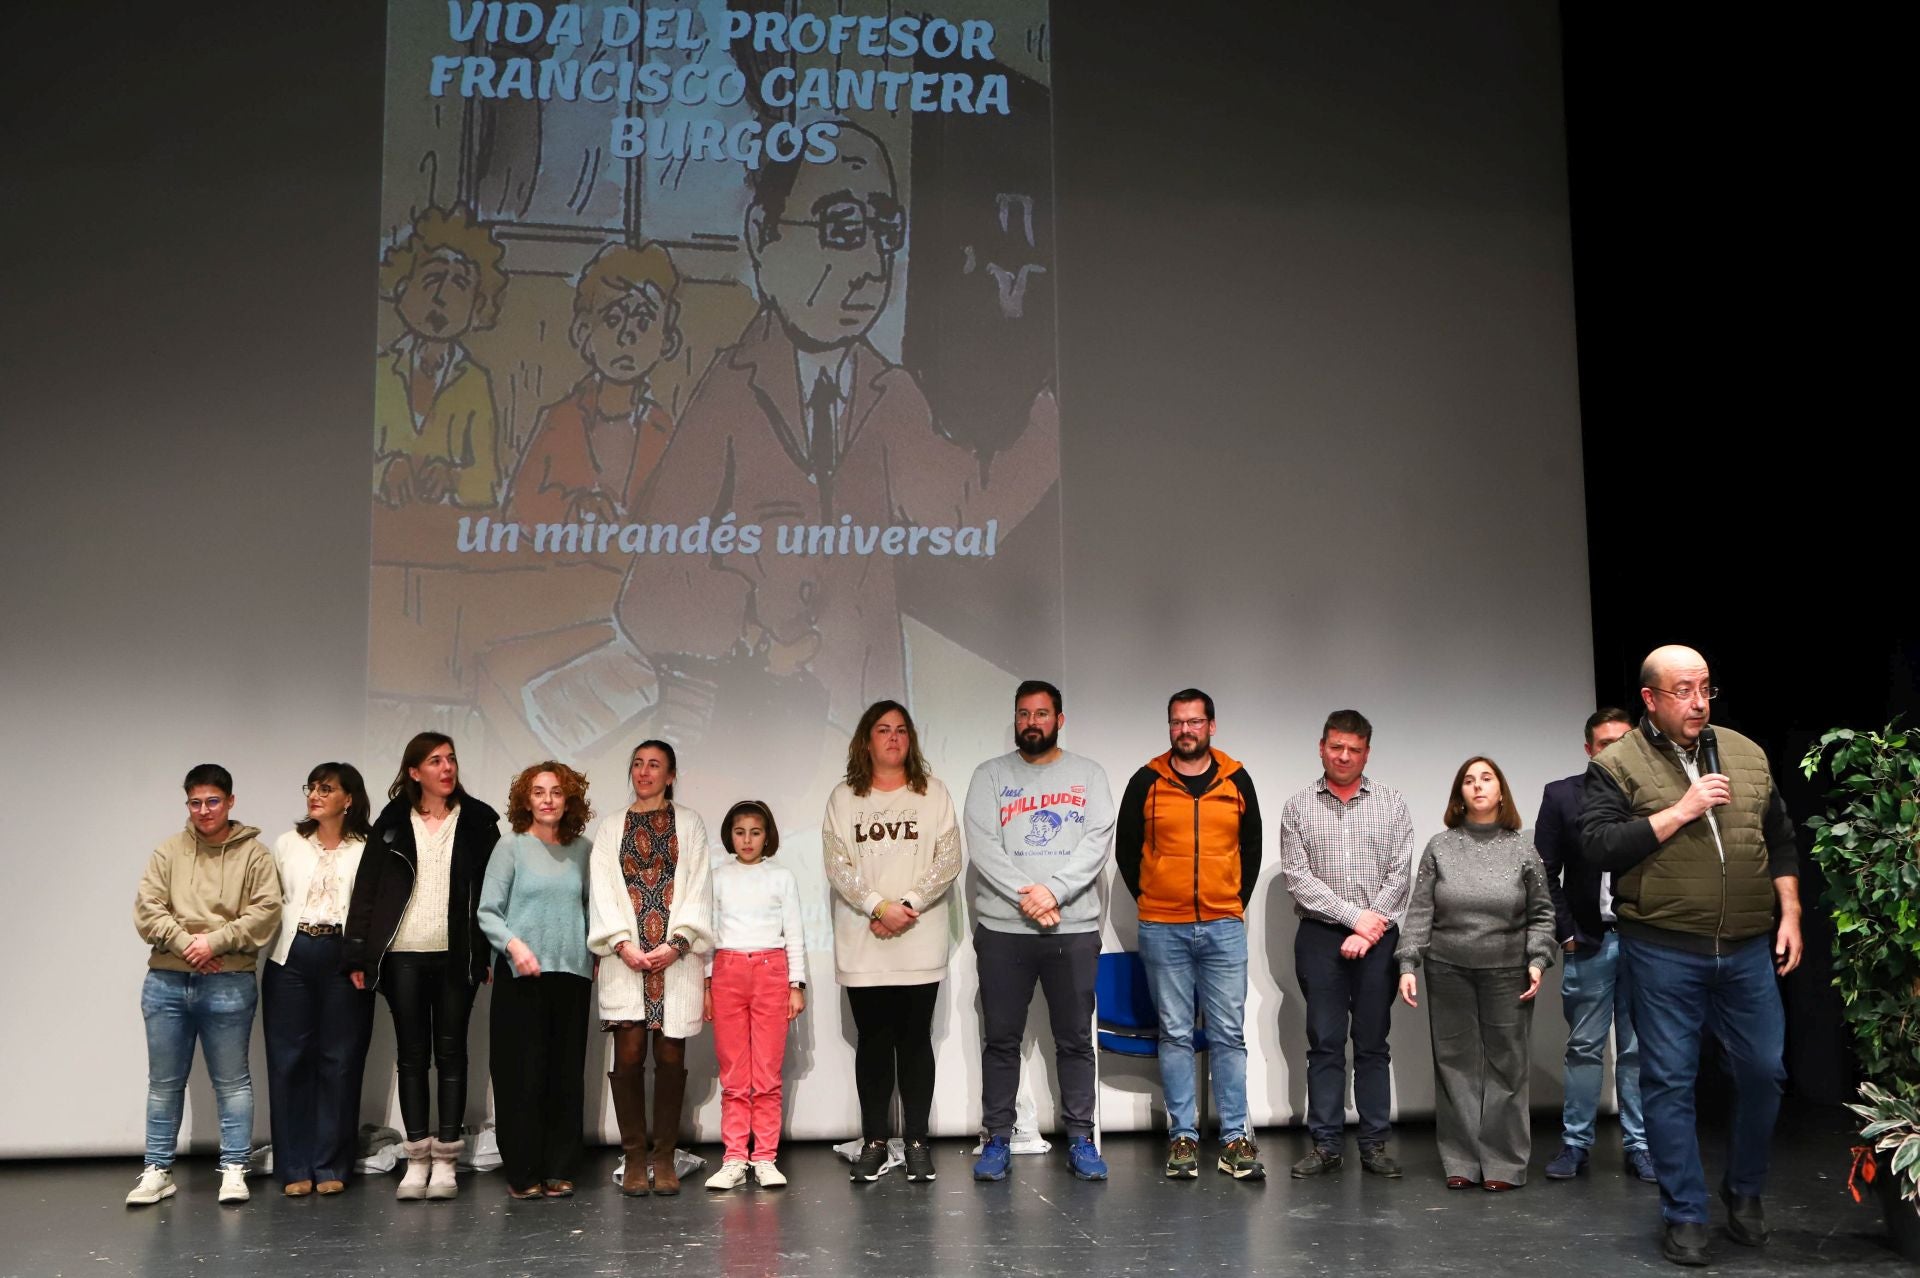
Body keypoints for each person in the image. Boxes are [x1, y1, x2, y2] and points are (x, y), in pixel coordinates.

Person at [1579, 645, 1801, 1267]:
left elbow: (1780, 839)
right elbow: (1596, 845)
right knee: (1669, 1081)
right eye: (1684, 690)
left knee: (1765, 1071)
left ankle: (1745, 1190)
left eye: (1705, 688)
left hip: (1749, 947)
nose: (1699, 702)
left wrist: (1791, 912)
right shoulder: (1617, 764)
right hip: (1662, 948)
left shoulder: (1747, 754)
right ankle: (1685, 1212)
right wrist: (1681, 811)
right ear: (1650, 699)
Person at [963, 680, 1116, 1183]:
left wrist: (1054, 891)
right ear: (1015, 718)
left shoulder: (1089, 775)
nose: (1032, 722)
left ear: (1059, 720)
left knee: (1074, 1039)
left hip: (1071, 930)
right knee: (1001, 1040)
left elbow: (1096, 842)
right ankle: (998, 1140)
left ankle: (1081, 1139)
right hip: (1004, 931)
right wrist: (1030, 897)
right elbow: (983, 845)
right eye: (1024, 713)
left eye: (1042, 714)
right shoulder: (989, 776)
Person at [342, 732, 502, 1201]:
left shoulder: (478, 820)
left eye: (451, 759)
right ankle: (416, 1158)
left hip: (457, 955)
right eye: (435, 761)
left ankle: (447, 1160)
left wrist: (486, 952)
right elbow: (367, 891)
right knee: (412, 1057)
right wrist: (358, 954)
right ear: (415, 772)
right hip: (402, 956)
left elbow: (492, 895)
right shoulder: (391, 821)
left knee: (451, 1054)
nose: (447, 767)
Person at [1116, 689, 1265, 1180]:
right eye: (1178, 722)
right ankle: (1182, 1136)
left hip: (1223, 926)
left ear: (1212, 726)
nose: (1186, 730)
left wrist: (1229, 902)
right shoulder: (1146, 781)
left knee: (1228, 1035)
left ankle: (1235, 1140)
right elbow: (1128, 852)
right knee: (1176, 1034)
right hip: (1163, 928)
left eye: (1195, 722)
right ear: (1170, 727)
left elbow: (1252, 848)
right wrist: (1157, 900)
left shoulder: (1236, 779)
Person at [1395, 756, 1558, 1190]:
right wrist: (1408, 962)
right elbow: (1421, 909)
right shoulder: (1441, 846)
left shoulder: (1522, 847)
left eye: (1487, 779)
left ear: (1501, 791)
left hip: (1507, 970)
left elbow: (1542, 913)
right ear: (1459, 794)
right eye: (1469, 780)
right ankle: (1461, 1162)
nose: (1478, 786)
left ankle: (1504, 1164)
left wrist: (1538, 959)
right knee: (1454, 1065)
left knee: (1508, 1066)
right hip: (1448, 968)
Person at [128, 764, 283, 1206]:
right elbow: (148, 909)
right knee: (163, 1083)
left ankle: (234, 1169)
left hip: (229, 982)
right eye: (195, 802)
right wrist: (187, 945)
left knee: (232, 1082)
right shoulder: (168, 852)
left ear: (230, 802)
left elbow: (265, 912)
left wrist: (214, 941)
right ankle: (157, 1170)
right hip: (166, 982)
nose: (203, 810)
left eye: (212, 801)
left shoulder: (255, 855)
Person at [824, 700, 963, 1184]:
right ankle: (876, 1141)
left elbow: (947, 860)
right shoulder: (844, 798)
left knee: (915, 1039)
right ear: (867, 741)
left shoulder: (934, 794)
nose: (893, 738)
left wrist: (904, 904)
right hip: (864, 940)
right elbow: (837, 864)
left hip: (919, 938)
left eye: (901, 730)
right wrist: (877, 908)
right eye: (883, 730)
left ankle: (918, 1141)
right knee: (874, 1041)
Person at [1278, 708, 1414, 1179]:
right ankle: (1327, 1144)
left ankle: (1374, 1144)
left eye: (1354, 749)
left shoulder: (1393, 804)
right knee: (1325, 1042)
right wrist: (1356, 919)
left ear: (1366, 753)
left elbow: (1400, 874)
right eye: (1336, 746)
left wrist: (1369, 929)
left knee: (1374, 1042)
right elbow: (1299, 879)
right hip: (1321, 938)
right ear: (1322, 747)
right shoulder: (1298, 806)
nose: (1344, 756)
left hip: (1378, 940)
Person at [588, 739, 716, 1197]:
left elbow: (700, 884)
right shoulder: (610, 827)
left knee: (669, 1055)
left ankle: (664, 1155)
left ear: (671, 774)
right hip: (626, 959)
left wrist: (677, 944)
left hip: (674, 960)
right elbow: (602, 888)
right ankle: (635, 1155)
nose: (644, 772)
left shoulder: (691, 823)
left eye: (654, 765)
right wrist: (623, 944)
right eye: (638, 764)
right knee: (628, 1056)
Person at [1536, 708, 1654, 1183]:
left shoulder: (1652, 792)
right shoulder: (1563, 795)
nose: (1615, 748)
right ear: (1589, 749)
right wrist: (1565, 932)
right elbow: (1544, 871)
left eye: (1624, 739)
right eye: (1605, 742)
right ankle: (1576, 1144)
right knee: (1584, 1047)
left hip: (1646, 940)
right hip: (1588, 939)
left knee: (1638, 1049)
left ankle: (1641, 1145)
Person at [499, 242, 684, 527]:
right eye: (612, 320)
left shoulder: (662, 428)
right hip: (562, 564)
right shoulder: (561, 418)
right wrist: (574, 509)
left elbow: (677, 513)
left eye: (644, 322)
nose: (626, 337)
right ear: (584, 332)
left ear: (667, 341)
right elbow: (520, 506)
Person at [479, 762, 595, 1199]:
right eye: (539, 791)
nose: (548, 799)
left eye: (557, 792)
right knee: (520, 1077)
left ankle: (560, 1167)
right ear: (525, 800)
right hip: (521, 976)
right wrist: (514, 947)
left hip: (571, 975)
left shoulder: (583, 850)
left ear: (569, 800)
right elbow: (488, 911)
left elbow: (590, 909)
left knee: (564, 1076)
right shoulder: (510, 847)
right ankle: (523, 1171)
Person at [263, 763, 376, 1198]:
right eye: (311, 787)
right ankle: (294, 1165)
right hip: (290, 957)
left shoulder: (366, 848)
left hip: (343, 958)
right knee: (288, 1060)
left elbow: (370, 910)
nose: (314, 794)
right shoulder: (287, 844)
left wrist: (363, 958)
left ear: (348, 799)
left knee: (340, 1061)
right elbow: (272, 903)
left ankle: (331, 1163)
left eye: (326, 788)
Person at [701, 800, 807, 1191]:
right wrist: (708, 984)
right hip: (728, 970)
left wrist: (796, 984)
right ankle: (734, 1157)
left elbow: (794, 931)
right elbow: (708, 935)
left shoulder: (781, 877)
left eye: (755, 832)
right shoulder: (717, 877)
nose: (747, 840)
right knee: (733, 1073)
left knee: (765, 1071)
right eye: (740, 832)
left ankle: (764, 1156)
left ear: (768, 836)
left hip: (770, 970)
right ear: (730, 834)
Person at [372, 204, 509, 508]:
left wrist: (453, 477)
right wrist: (383, 471)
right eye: (432, 278)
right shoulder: (379, 371)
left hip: (443, 530)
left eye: (459, 284)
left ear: (477, 310)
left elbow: (487, 479)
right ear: (403, 287)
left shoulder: (474, 382)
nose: (441, 297)